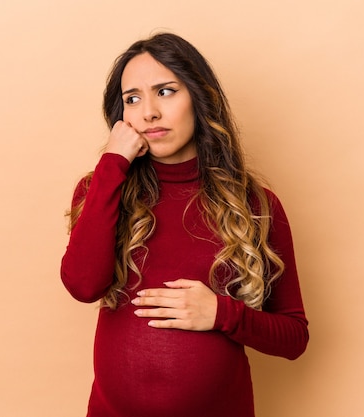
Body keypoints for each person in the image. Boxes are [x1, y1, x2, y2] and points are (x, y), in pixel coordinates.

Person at [60, 32, 308, 417]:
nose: (149, 113)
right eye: (133, 99)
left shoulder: (254, 204)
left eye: (166, 91)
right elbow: (83, 285)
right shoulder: (101, 190)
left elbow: (294, 338)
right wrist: (112, 165)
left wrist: (221, 314)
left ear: (198, 96)